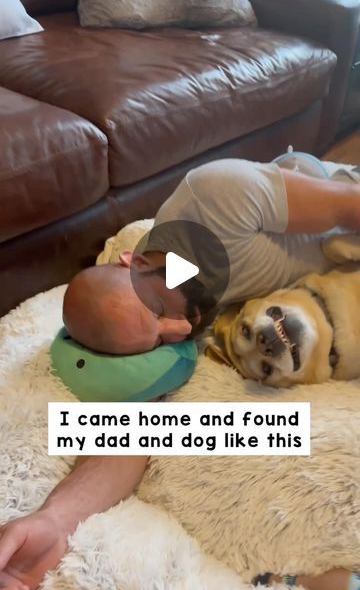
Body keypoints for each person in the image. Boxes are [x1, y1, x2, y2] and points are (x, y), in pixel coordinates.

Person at [1, 154, 360, 590]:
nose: (182, 328)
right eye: (158, 341)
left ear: (131, 260)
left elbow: (349, 204)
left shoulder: (214, 200)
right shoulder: (174, 328)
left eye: (157, 308)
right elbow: (133, 433)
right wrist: (53, 521)